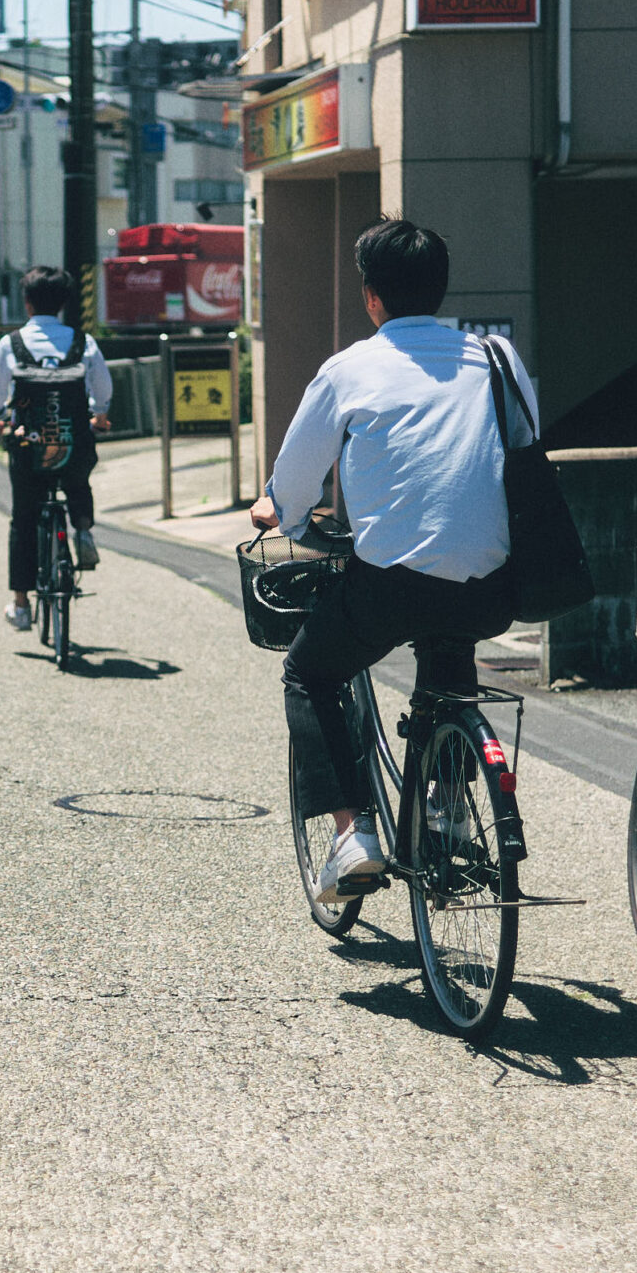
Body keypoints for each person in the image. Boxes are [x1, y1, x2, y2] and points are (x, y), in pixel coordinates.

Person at [250, 219, 539, 902]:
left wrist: (278, 513)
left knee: (309, 672)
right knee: (449, 639)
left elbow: (295, 480)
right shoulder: (497, 357)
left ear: (371, 296)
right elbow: (524, 444)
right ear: (439, 291)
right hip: (495, 585)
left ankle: (353, 835)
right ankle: (447, 803)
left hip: (391, 587)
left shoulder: (349, 368)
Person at [0, 266, 113, 631]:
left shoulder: (12, 344)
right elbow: (102, 387)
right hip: (74, 445)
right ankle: (83, 529)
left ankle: (21, 605)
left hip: (29, 447)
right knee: (77, 482)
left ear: (27, 303)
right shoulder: (83, 343)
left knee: (23, 518)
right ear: (63, 304)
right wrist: (99, 415)